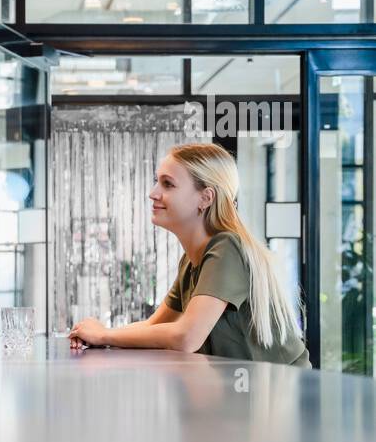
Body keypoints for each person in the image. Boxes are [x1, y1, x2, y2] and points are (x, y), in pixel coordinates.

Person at [70, 143, 309, 368]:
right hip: (250, 394)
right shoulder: (192, 260)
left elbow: (187, 337)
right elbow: (157, 325)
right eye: (157, 182)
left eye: (168, 184)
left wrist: (103, 334)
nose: (153, 193)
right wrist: (100, 335)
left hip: (284, 395)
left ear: (205, 198)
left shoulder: (227, 248)